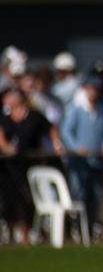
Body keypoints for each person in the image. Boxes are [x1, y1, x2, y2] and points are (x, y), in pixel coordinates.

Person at [0, 87, 60, 245]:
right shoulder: (4, 117)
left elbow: (51, 129)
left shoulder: (34, 117)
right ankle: (10, 234)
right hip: (8, 167)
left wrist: (57, 144)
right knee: (9, 200)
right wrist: (6, 147)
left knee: (27, 200)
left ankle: (26, 234)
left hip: (29, 164)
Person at [61, 74, 103, 238]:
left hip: (97, 161)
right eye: (90, 89)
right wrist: (76, 148)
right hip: (79, 162)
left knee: (96, 196)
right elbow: (66, 132)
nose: (93, 92)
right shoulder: (76, 108)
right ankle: (77, 228)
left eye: (96, 89)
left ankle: (91, 229)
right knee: (78, 195)